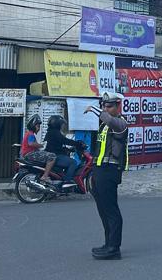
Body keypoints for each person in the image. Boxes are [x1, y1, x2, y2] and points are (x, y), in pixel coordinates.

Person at [85, 94, 129, 260]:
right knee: (102, 209)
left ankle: (114, 247)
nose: (106, 109)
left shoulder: (121, 123)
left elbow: (112, 121)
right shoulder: (104, 125)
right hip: (100, 169)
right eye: (104, 106)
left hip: (110, 170)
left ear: (118, 106)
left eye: (109, 106)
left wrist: (95, 109)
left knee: (111, 210)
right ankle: (107, 243)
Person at [43, 115, 86, 186]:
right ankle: (67, 181)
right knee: (73, 162)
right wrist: (77, 143)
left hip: (52, 154)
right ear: (57, 124)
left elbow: (56, 145)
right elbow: (64, 140)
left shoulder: (50, 132)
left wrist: (67, 149)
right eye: (61, 124)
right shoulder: (55, 132)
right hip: (55, 156)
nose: (62, 126)